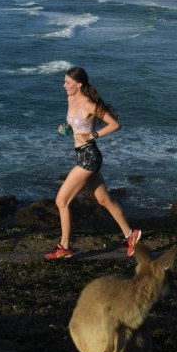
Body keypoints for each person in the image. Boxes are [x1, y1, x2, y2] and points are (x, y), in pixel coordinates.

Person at [45, 67, 142, 260]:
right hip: (82, 155)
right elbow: (75, 127)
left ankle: (64, 247)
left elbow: (115, 124)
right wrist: (66, 130)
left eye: (67, 82)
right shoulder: (70, 99)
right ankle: (131, 236)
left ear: (78, 84)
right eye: (64, 81)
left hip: (89, 157)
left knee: (61, 201)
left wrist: (93, 135)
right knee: (104, 200)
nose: (64, 85)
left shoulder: (88, 104)